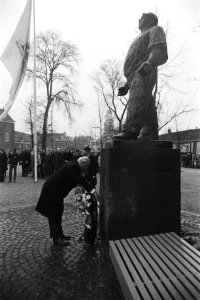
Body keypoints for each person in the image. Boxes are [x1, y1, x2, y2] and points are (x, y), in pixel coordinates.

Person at [113, 12, 168, 141]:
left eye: (142, 17)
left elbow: (159, 49)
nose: (139, 19)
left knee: (137, 100)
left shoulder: (156, 30)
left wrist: (151, 62)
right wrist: (127, 84)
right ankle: (150, 132)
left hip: (144, 71)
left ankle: (131, 129)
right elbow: (134, 60)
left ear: (150, 20)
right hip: (134, 75)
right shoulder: (139, 37)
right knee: (146, 102)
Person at [35, 156, 95, 246]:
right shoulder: (74, 167)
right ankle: (56, 239)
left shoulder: (73, 165)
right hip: (52, 191)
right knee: (54, 215)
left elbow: (79, 180)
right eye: (85, 167)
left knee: (59, 212)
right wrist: (92, 191)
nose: (85, 170)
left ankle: (60, 234)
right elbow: (80, 180)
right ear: (82, 163)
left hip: (56, 192)